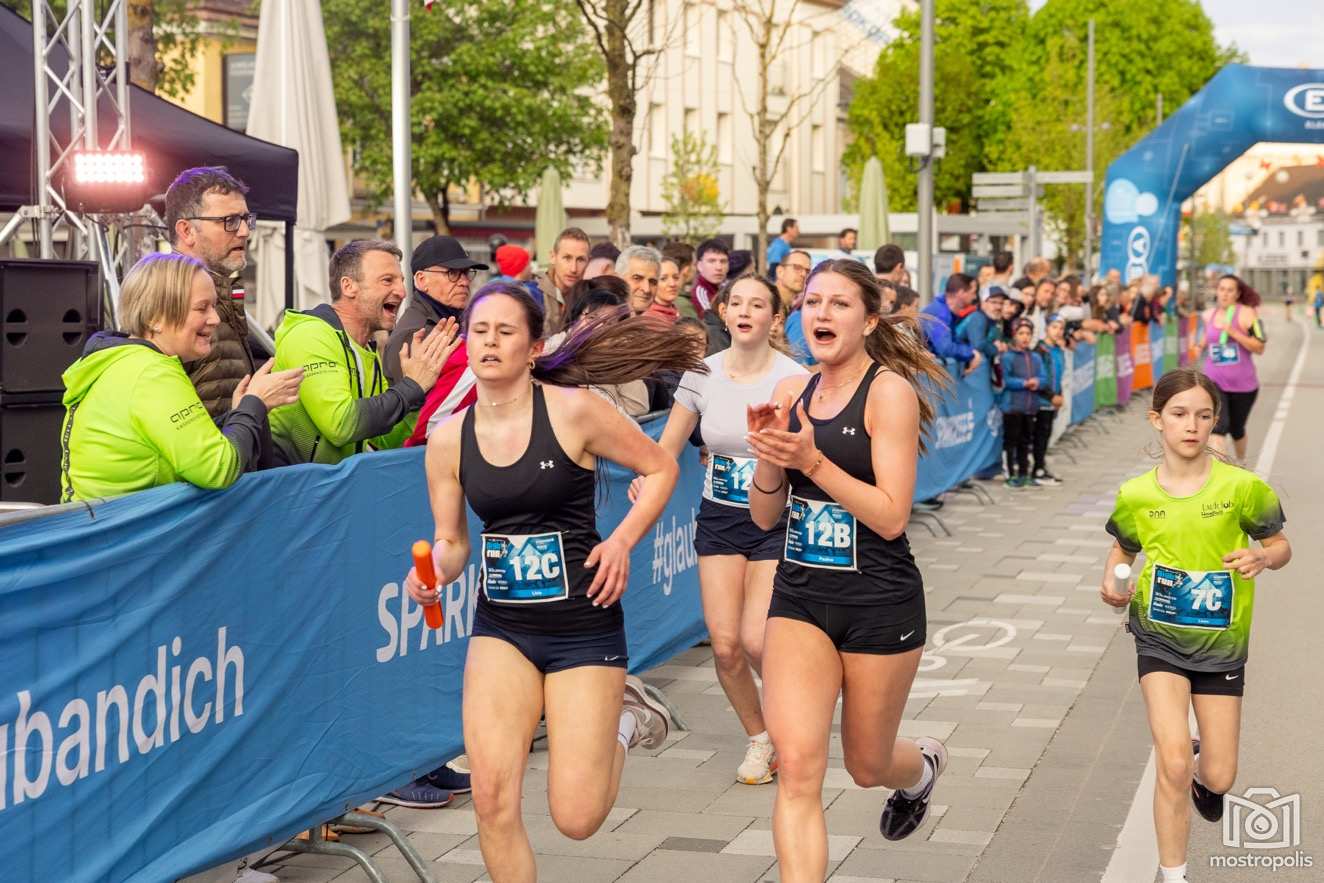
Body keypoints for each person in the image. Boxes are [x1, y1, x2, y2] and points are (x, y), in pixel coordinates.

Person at [401, 282, 705, 881]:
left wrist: (621, 541)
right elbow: (453, 541)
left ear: (534, 347)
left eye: (505, 331)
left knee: (577, 817)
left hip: (582, 626)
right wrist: (432, 572)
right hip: (502, 627)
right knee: (491, 798)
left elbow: (660, 467)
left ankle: (626, 720)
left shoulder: (574, 411)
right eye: (479, 331)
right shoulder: (448, 439)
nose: (489, 342)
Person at [744, 259, 951, 881]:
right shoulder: (791, 391)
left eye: (839, 304)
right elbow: (763, 517)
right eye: (813, 302)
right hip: (801, 597)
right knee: (798, 768)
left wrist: (812, 461)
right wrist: (769, 455)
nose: (822, 314)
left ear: (868, 321)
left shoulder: (888, 393)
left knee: (866, 764)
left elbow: (891, 516)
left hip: (878, 601)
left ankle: (920, 770)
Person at [1100, 368, 1290, 883]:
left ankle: (1207, 779)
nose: (1192, 425)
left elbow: (1280, 546)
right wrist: (1114, 582)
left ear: (1214, 422)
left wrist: (1262, 558)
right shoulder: (1136, 493)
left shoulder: (1244, 488)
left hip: (1222, 643)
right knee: (1174, 761)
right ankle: (1174, 874)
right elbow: (1123, 548)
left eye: (1204, 416)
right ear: (1156, 420)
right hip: (1159, 636)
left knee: (1219, 775)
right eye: (1180, 414)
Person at [634, 277, 805, 785]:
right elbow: (666, 448)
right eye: (737, 304)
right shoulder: (701, 374)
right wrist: (647, 475)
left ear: (775, 318)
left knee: (756, 639)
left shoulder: (794, 378)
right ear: (724, 313)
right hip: (720, 517)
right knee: (726, 644)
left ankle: (797, 718)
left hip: (776, 517)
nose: (746, 312)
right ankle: (761, 738)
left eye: (758, 304)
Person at [59, 253, 302, 502]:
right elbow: (219, 469)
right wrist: (254, 404)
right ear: (155, 319)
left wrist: (239, 413)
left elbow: (179, 445)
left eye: (214, 306)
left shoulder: (122, 362)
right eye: (201, 308)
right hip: (135, 524)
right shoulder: (152, 374)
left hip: (107, 520)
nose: (215, 319)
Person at [269, 240, 458, 466]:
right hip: (288, 483)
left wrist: (419, 393)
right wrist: (411, 387)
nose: (402, 291)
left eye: (401, 281)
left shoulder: (365, 348)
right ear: (348, 286)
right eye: (387, 280)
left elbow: (386, 440)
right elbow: (341, 425)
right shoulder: (311, 335)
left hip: (327, 483)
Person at [164, 166, 259, 418]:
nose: (244, 231)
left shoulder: (219, 288)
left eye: (246, 219)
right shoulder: (169, 296)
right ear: (186, 231)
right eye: (229, 221)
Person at [1200, 275, 1265, 464]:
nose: (1225, 294)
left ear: (1237, 294)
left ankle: (1241, 463)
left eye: (1230, 290)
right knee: (1218, 427)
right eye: (1221, 289)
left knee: (1237, 429)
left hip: (1244, 385)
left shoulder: (1248, 314)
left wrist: (1234, 332)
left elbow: (1260, 346)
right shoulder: (1208, 315)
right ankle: (1219, 473)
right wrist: (1197, 347)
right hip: (1213, 380)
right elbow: (1206, 339)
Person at [998, 318, 1047, 489]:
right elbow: (1005, 380)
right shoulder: (1007, 357)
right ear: (1014, 335)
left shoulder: (1035, 357)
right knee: (1011, 442)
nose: (1025, 337)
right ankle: (1010, 474)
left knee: (1025, 442)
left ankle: (1024, 473)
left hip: (1029, 407)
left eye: (1028, 334)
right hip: (1012, 407)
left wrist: (1038, 382)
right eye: (1021, 333)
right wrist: (1024, 383)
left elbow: (1044, 377)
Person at [1030, 315, 1067, 486]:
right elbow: (1039, 377)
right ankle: (1037, 470)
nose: (1058, 331)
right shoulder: (1040, 351)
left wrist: (1059, 394)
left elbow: (1058, 376)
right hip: (1041, 401)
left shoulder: (1058, 350)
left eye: (1061, 328)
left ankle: (1041, 466)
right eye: (1054, 327)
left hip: (1052, 400)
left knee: (1046, 435)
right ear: (1046, 329)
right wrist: (1051, 396)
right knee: (1039, 436)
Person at [920, 272, 982, 374]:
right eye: (973, 292)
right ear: (961, 292)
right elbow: (945, 348)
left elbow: (953, 341)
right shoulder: (940, 313)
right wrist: (971, 353)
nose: (975, 297)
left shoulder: (945, 311)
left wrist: (970, 352)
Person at [533, 227, 590, 333]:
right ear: (553, 257)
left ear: (588, 262)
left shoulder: (588, 298)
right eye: (567, 258)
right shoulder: (532, 293)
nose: (573, 269)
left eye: (580, 260)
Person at [616, 245, 662, 314]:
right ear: (617, 279)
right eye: (637, 278)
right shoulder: (602, 319)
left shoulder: (660, 320)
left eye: (652, 282)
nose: (647, 289)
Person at [692, 239, 730, 318]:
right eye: (712, 261)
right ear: (699, 265)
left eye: (723, 261)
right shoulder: (700, 292)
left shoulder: (728, 287)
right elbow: (711, 321)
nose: (719, 267)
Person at [646, 256, 684, 324]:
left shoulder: (676, 312)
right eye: (663, 279)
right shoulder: (649, 320)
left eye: (676, 277)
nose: (672, 284)